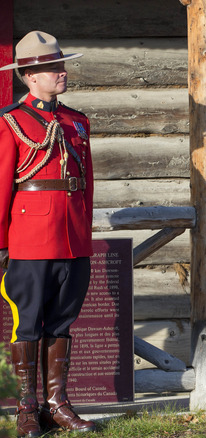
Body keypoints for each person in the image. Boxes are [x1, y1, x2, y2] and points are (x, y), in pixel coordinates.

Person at [0, 31, 96, 436]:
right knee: (27, 325)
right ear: (30, 76)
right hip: (29, 238)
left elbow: (86, 185)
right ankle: (26, 408)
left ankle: (58, 404)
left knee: (61, 323)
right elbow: (3, 184)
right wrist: (2, 245)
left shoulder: (76, 120)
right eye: (52, 67)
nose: (62, 72)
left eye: (61, 64)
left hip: (72, 239)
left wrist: (85, 237)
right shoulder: (11, 122)